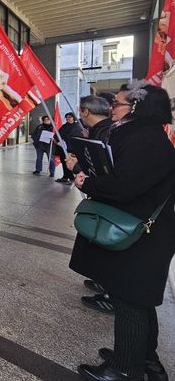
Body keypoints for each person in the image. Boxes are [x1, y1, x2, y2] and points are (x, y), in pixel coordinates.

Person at [71, 82, 175, 381]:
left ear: (136, 107)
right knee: (139, 300)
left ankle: (124, 369)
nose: (111, 108)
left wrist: (88, 183)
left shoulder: (143, 139)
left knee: (130, 301)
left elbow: (125, 186)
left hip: (143, 234)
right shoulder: (148, 135)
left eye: (117, 103)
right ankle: (146, 361)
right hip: (147, 231)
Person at [65, 95, 115, 315]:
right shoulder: (103, 131)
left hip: (108, 203)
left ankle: (110, 291)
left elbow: (102, 172)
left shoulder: (107, 134)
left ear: (86, 112)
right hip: (103, 199)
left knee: (104, 243)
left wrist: (77, 168)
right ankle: (103, 280)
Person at [54, 112, 83, 183]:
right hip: (62, 147)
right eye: (66, 117)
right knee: (64, 162)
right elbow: (58, 134)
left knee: (71, 163)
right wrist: (56, 140)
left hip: (71, 149)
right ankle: (65, 176)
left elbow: (74, 137)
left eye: (69, 117)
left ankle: (72, 178)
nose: (68, 119)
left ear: (73, 118)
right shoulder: (64, 126)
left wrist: (64, 140)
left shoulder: (77, 126)